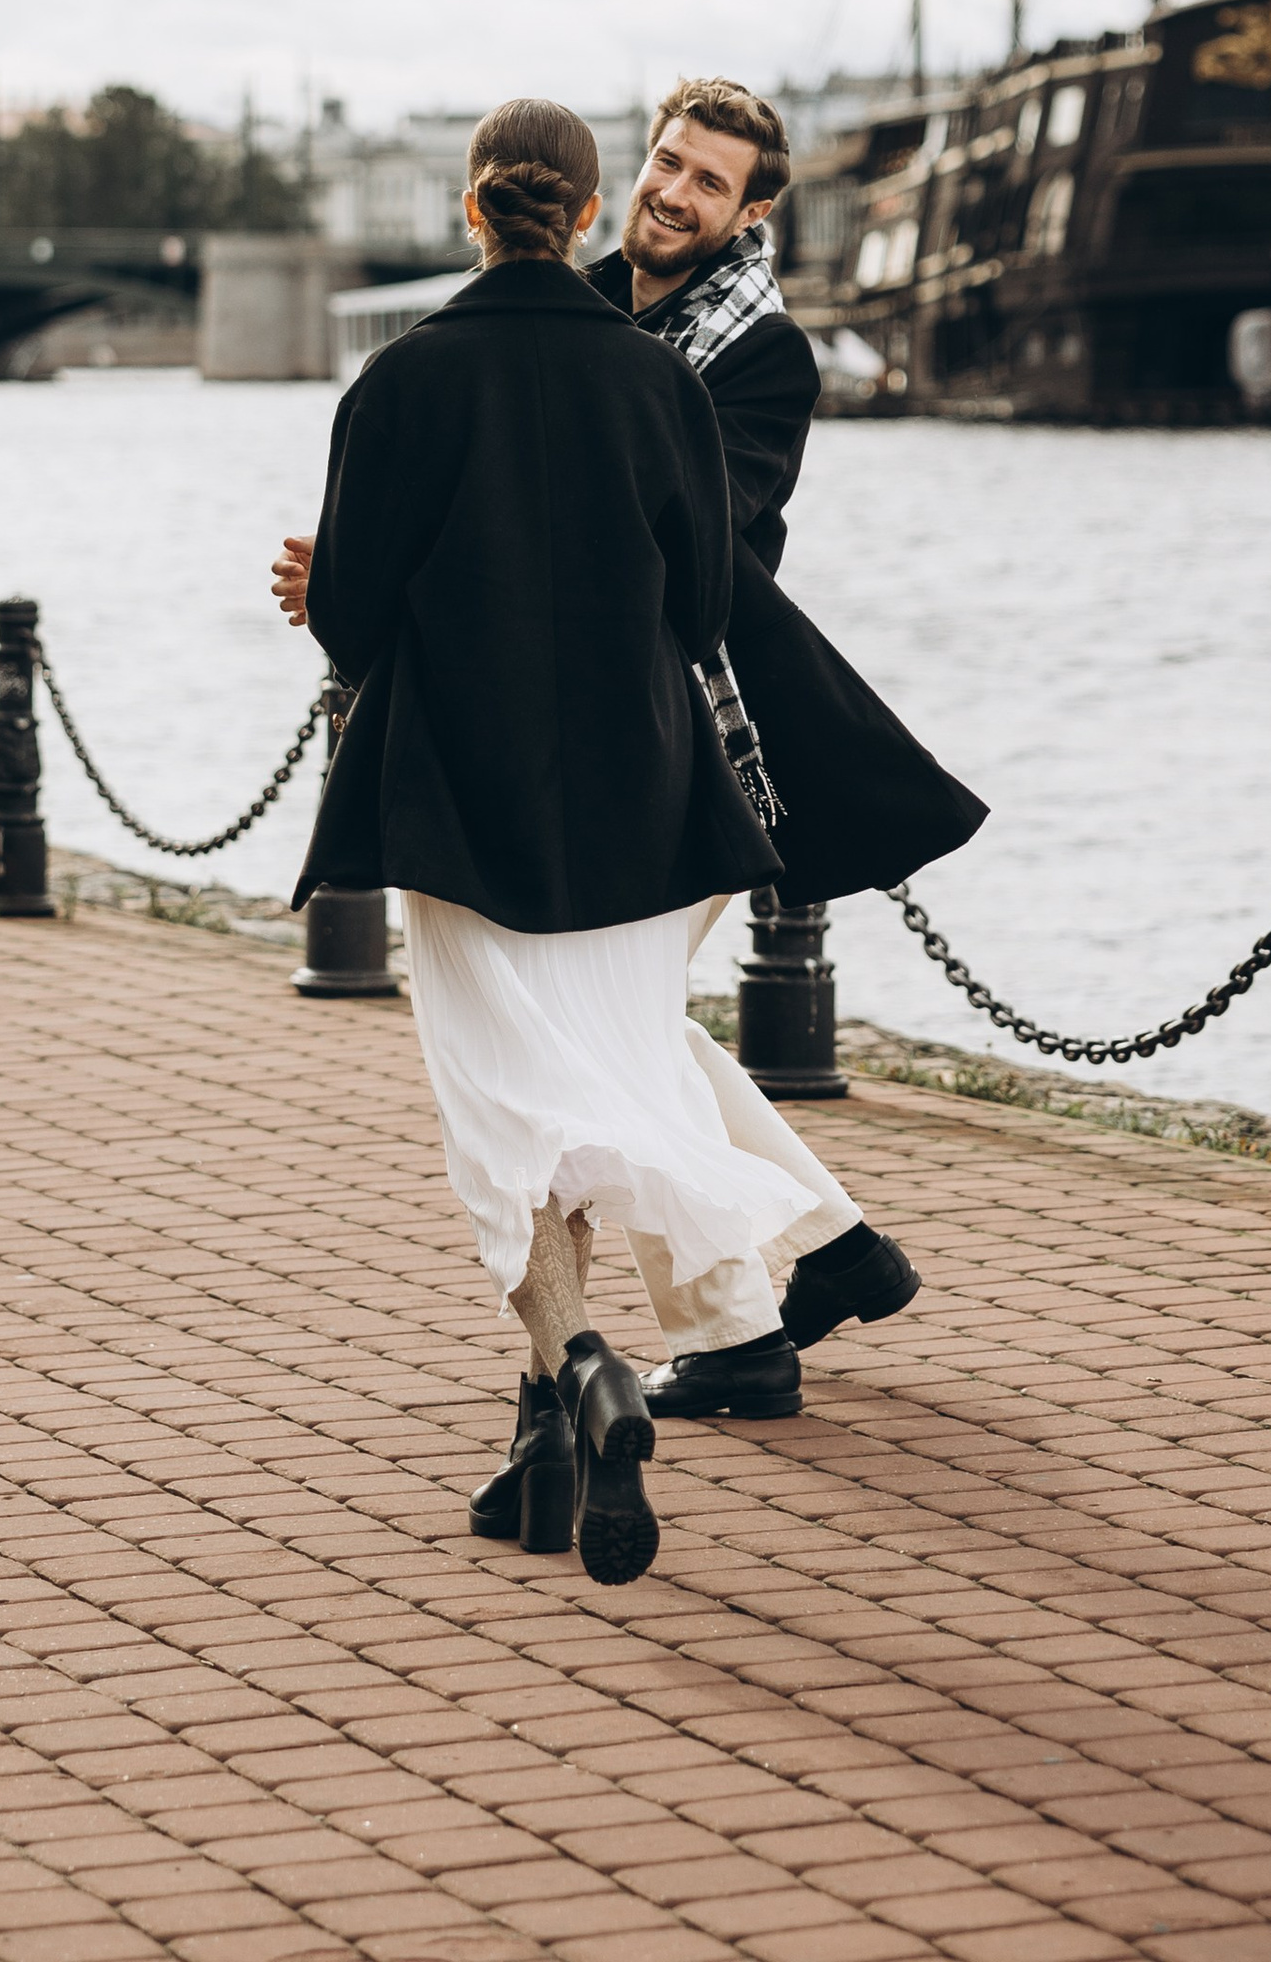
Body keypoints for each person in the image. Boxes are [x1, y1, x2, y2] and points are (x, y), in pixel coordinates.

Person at [286, 96, 827, 1586]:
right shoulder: (657, 386)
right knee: (585, 1087)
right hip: (647, 810)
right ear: (586, 212)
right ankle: (544, 1437)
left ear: (474, 209)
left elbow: (349, 617)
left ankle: (581, 1365)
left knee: (504, 1118)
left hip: (463, 806)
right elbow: (707, 604)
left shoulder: (399, 383)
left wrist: (359, 580)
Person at [589, 79, 987, 1420]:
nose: (671, 189)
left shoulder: (762, 357)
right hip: (583, 725)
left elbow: (697, 525)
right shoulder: (575, 305)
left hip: (695, 737)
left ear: (752, 210)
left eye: (708, 179)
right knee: (619, 1020)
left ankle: (735, 1329)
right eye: (665, 160)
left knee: (606, 1033)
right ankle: (833, 1246)